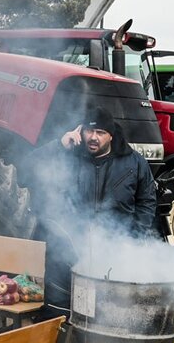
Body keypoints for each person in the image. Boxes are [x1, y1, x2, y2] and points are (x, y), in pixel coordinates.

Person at [36, 105, 159, 318]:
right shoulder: (68, 156)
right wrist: (59, 146)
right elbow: (29, 167)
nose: (93, 137)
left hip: (114, 249)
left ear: (111, 135)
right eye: (89, 131)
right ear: (81, 132)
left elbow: (146, 202)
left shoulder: (134, 162)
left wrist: (134, 238)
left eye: (100, 133)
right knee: (62, 312)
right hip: (69, 249)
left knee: (108, 312)